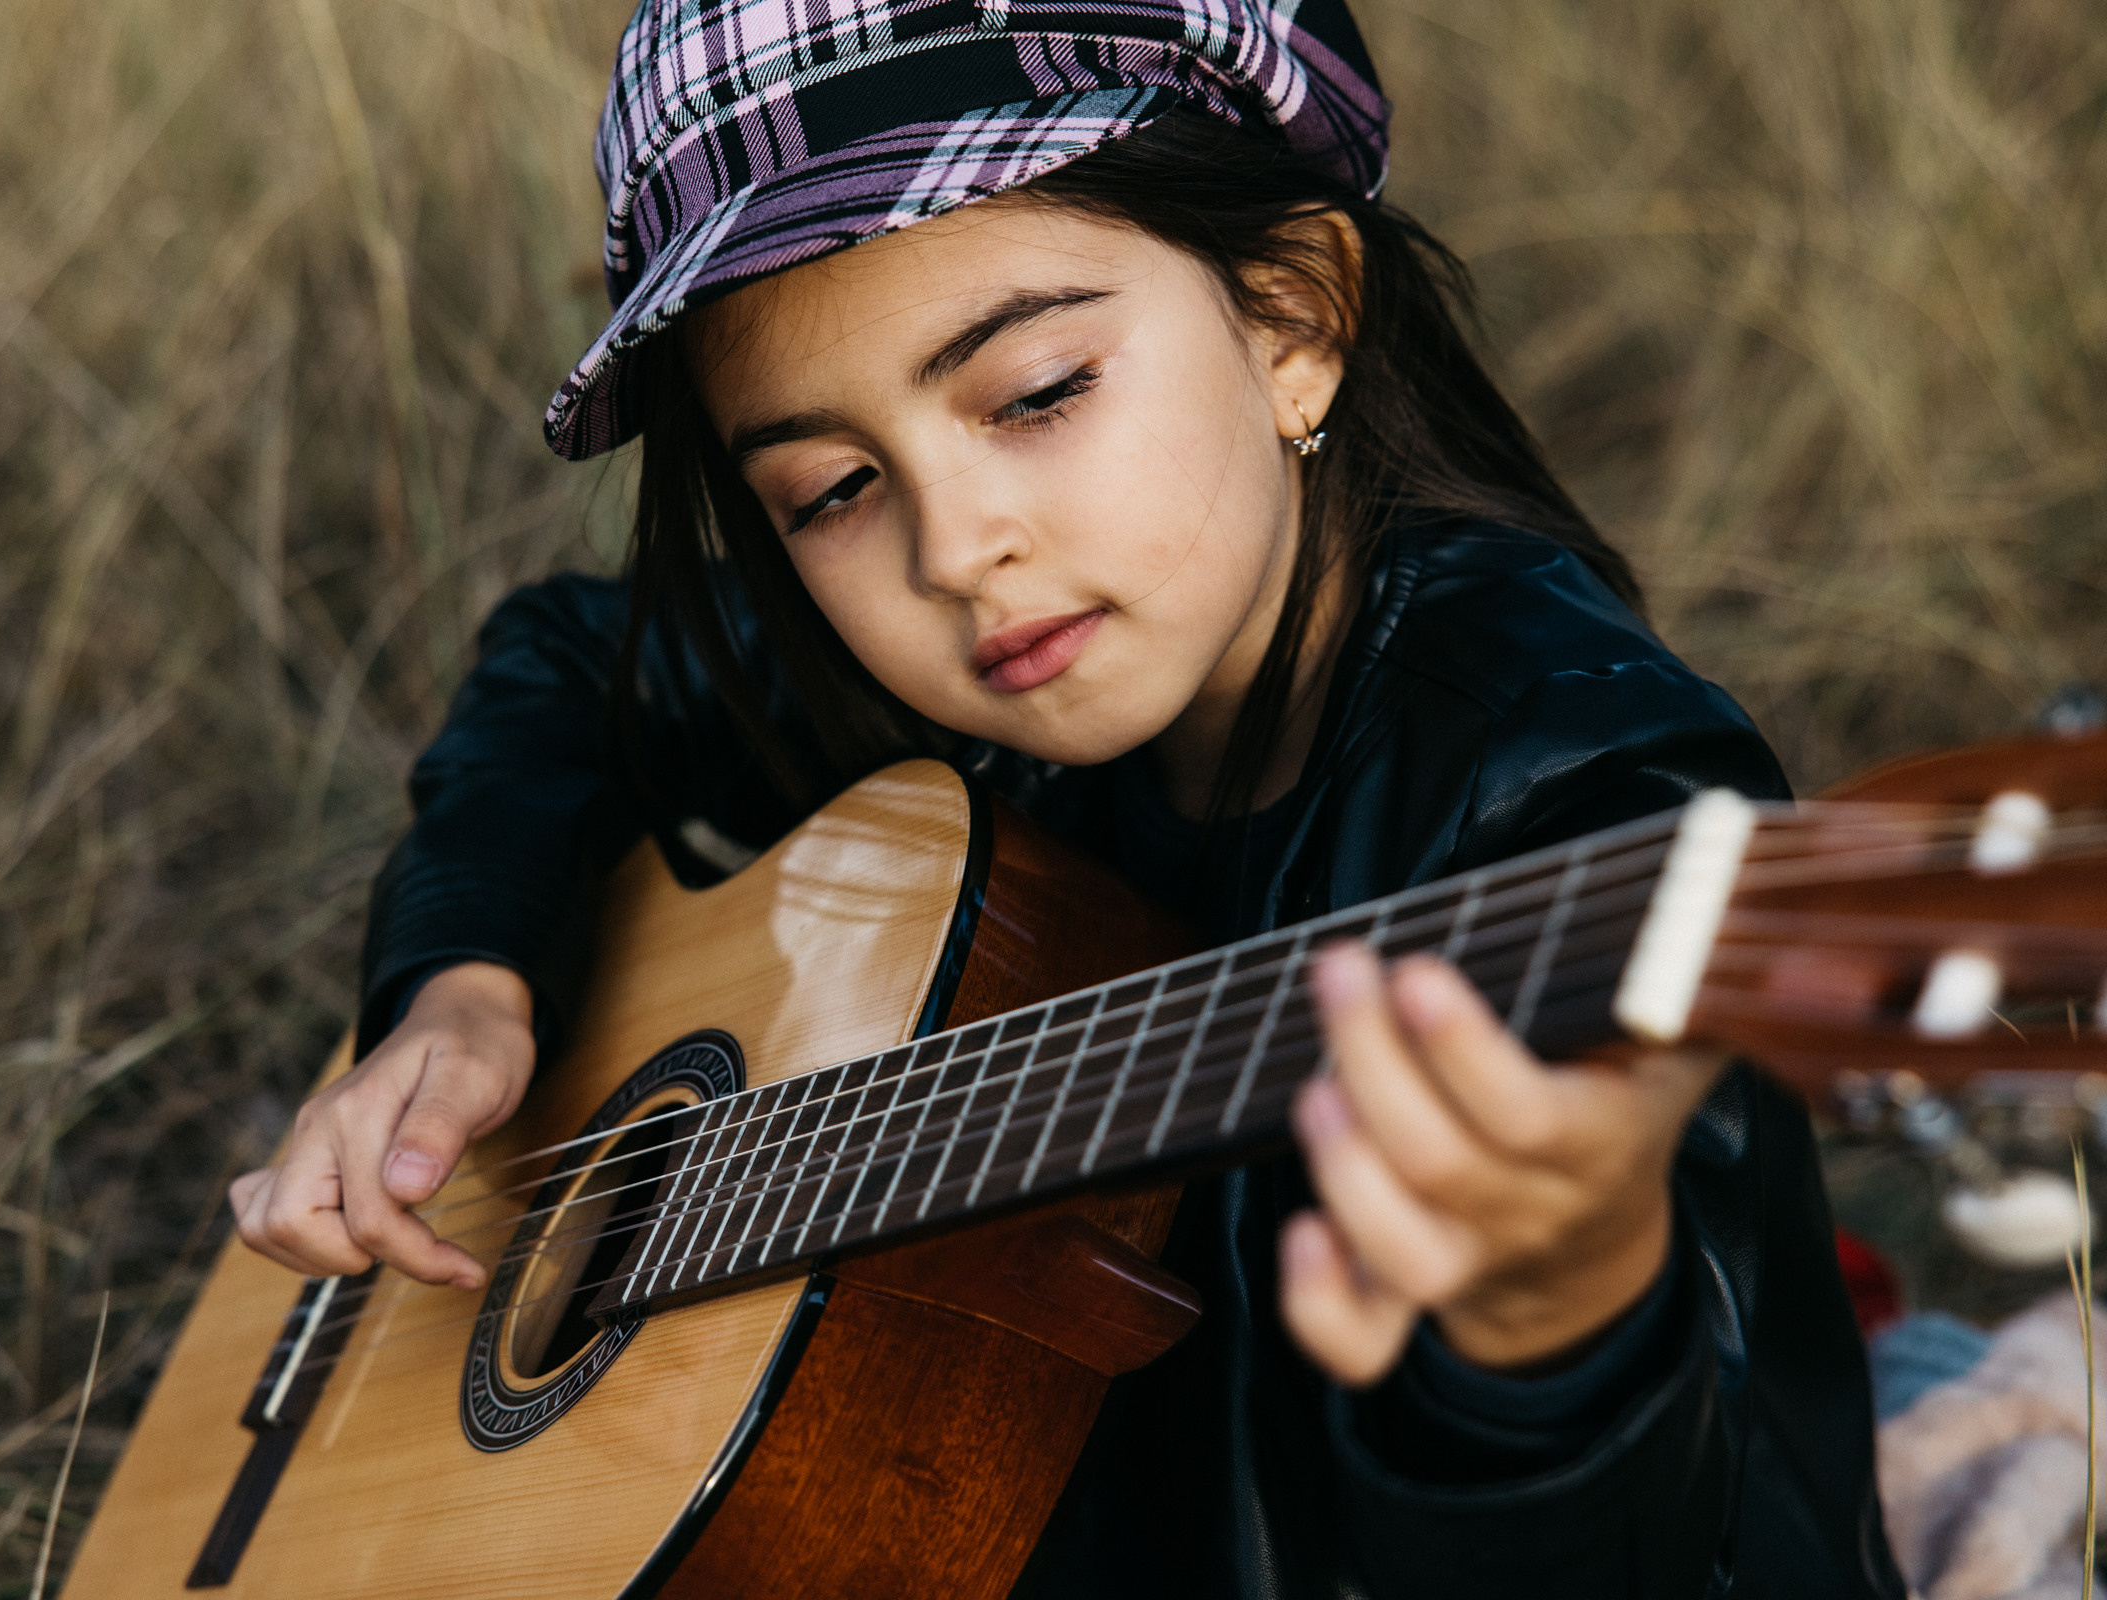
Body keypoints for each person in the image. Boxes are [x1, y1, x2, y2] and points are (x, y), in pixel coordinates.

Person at [226, 0, 1905, 1593]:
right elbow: (565, 664)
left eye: (1035, 394)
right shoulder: (920, 674)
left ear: (1293, 315)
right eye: (829, 488)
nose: (956, 555)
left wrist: (1555, 1340)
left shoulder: (1578, 802)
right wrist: (458, 986)